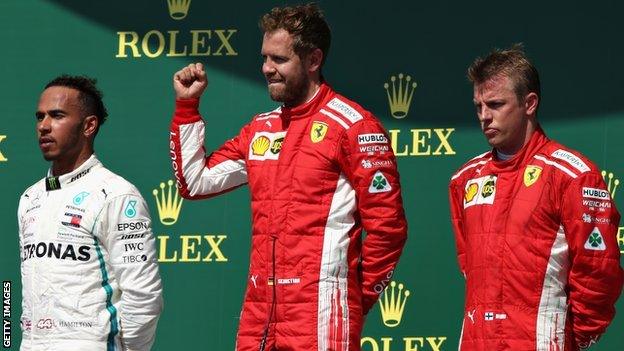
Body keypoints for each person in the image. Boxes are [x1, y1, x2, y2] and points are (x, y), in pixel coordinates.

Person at [169, 4, 407, 351]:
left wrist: (354, 298)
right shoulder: (260, 129)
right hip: (259, 312)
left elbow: (388, 229)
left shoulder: (354, 126)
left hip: (321, 311)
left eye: (279, 60)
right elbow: (195, 181)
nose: (267, 69)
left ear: (313, 60)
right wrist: (188, 107)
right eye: (265, 58)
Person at [449, 45, 623, 350]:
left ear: (529, 103)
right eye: (478, 106)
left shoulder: (572, 175)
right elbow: (469, 267)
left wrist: (568, 338)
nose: (484, 116)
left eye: (495, 104)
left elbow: (599, 273)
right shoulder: (465, 179)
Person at [18, 75, 163, 351]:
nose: (44, 126)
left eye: (57, 115)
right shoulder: (29, 197)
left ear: (89, 125)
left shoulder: (116, 194)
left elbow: (143, 295)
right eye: (40, 117)